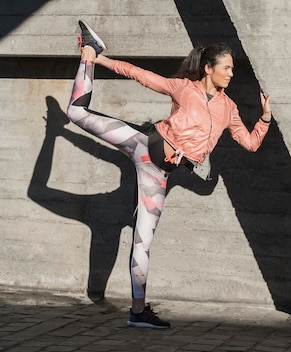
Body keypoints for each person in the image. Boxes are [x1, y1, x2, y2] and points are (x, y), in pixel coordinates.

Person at [66, 20, 272, 329]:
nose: (232, 73)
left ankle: (137, 312)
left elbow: (251, 144)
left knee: (142, 242)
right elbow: (141, 76)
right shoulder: (183, 88)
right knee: (76, 114)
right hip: (142, 144)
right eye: (227, 68)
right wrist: (101, 59)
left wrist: (265, 118)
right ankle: (89, 53)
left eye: (232, 69)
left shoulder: (229, 108)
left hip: (158, 174)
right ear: (208, 69)